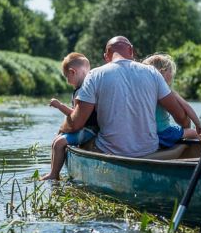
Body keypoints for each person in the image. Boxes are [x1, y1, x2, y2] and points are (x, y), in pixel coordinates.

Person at [59, 36, 191, 157]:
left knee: (85, 139)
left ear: (106, 56)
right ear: (131, 51)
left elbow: (76, 123)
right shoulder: (153, 73)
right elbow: (181, 118)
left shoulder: (94, 75)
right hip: (150, 150)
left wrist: (62, 128)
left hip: (108, 151)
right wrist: (186, 126)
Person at [41, 53, 98, 180]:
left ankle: (54, 174)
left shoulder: (84, 90)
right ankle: (53, 171)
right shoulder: (85, 87)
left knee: (59, 143)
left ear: (73, 72)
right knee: (56, 140)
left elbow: (75, 114)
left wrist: (59, 106)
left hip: (89, 130)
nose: (67, 81)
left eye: (67, 77)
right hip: (85, 128)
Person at [142, 54, 201, 147]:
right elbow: (186, 107)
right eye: (171, 71)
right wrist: (198, 125)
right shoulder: (166, 90)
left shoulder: (142, 90)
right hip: (164, 132)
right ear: (163, 72)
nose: (172, 75)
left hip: (146, 133)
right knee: (194, 133)